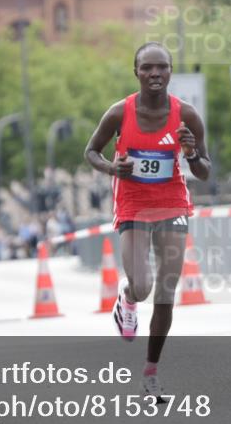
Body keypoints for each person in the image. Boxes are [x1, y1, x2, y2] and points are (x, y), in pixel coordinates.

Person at [85, 42, 210, 401]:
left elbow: (204, 171)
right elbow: (90, 151)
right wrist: (113, 167)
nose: (155, 74)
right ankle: (126, 297)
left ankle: (151, 373)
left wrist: (190, 154)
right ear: (136, 72)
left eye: (162, 68)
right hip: (134, 204)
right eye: (147, 68)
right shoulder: (119, 113)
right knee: (142, 285)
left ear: (170, 72)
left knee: (166, 292)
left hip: (172, 203)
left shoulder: (187, 115)